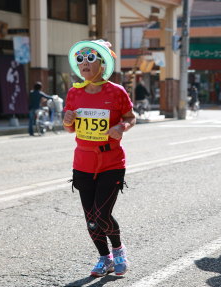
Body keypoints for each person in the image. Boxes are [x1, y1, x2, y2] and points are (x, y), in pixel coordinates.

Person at [63, 39, 136, 276]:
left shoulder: (116, 92)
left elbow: (131, 117)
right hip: (83, 162)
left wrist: (122, 127)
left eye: (90, 58)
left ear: (102, 64)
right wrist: (67, 121)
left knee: (101, 214)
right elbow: (70, 128)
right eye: (80, 59)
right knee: (91, 219)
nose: (84, 63)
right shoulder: (74, 93)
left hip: (111, 162)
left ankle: (118, 250)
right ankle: (104, 259)